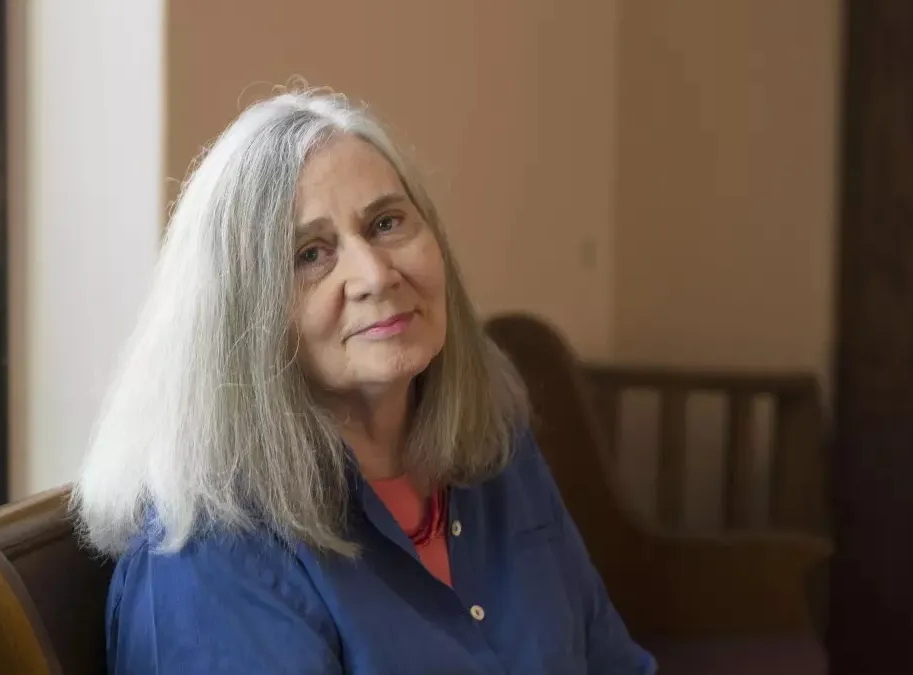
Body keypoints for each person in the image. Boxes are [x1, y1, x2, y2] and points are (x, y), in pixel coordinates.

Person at [73, 88, 656, 674]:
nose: (375, 274)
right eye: (310, 254)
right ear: (241, 322)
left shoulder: (497, 447)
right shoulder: (210, 557)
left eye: (386, 223)